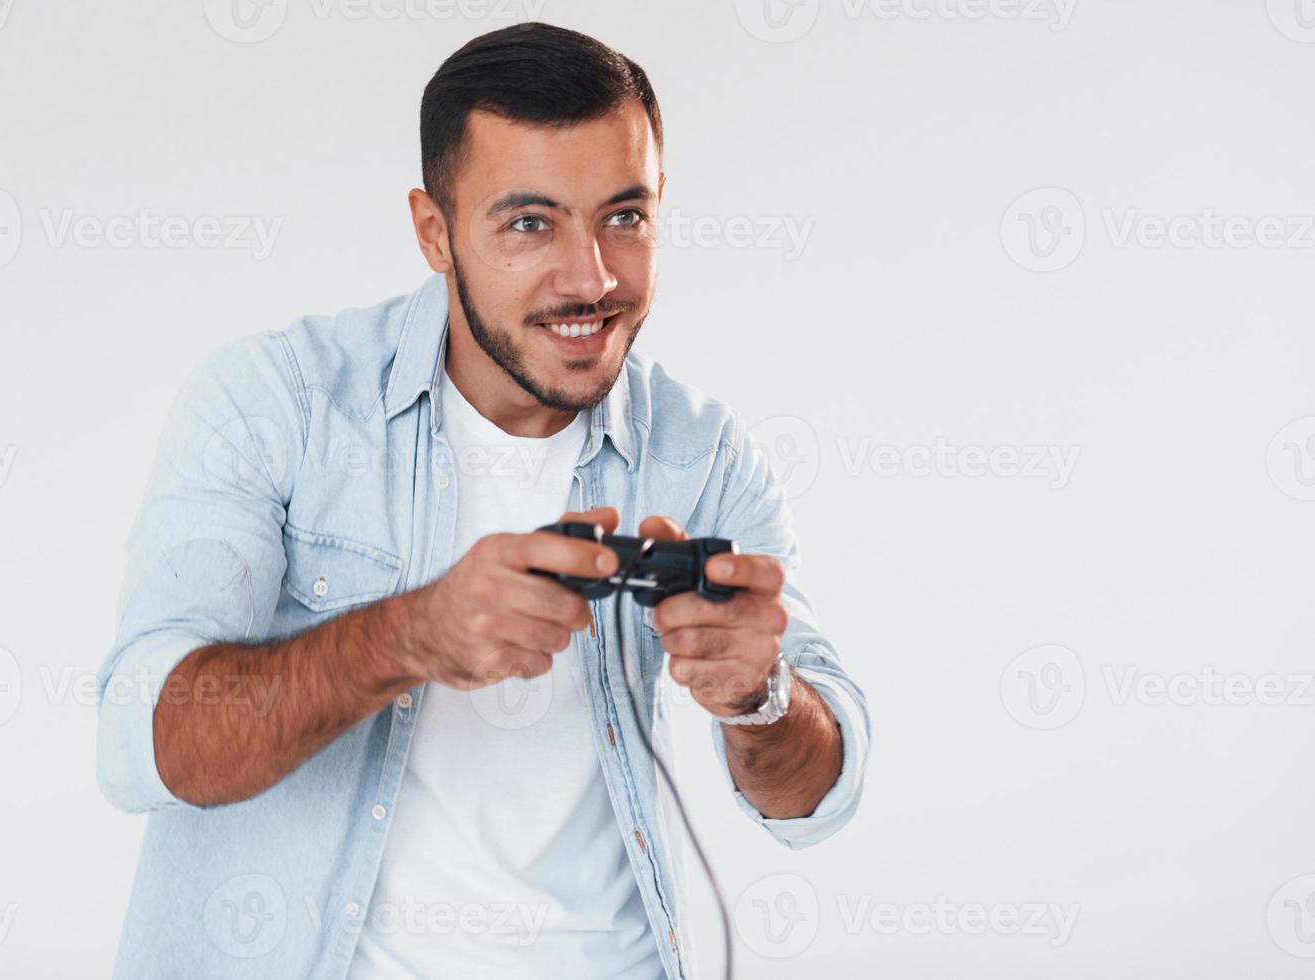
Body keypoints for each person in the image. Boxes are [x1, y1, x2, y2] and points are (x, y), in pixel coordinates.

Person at [95, 21, 869, 980]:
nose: (590, 277)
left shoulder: (703, 454)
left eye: (624, 216)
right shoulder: (275, 402)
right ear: (435, 231)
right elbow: (143, 742)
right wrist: (410, 635)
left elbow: (817, 797)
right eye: (530, 224)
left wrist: (760, 698)